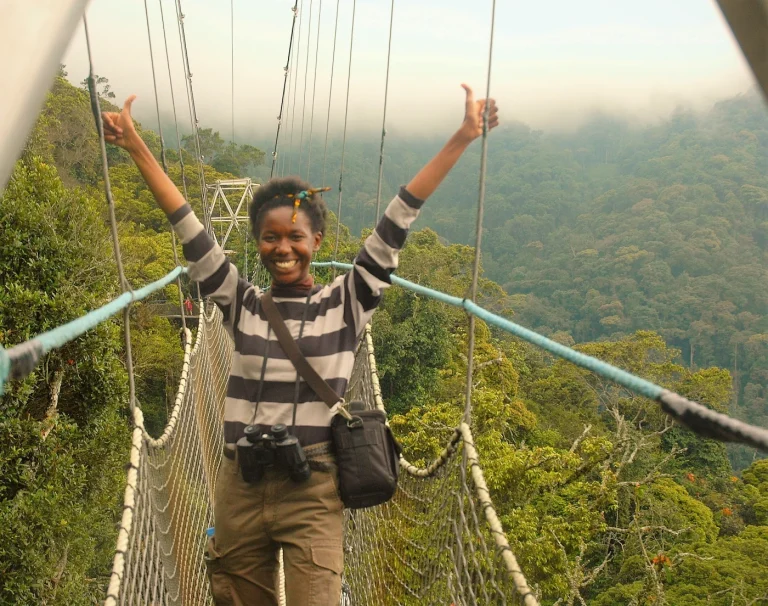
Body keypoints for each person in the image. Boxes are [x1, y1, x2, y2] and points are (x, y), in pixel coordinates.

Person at [102, 83, 499, 606]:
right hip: (238, 481)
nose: (282, 248)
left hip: (313, 485)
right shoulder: (238, 302)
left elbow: (398, 220)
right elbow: (190, 229)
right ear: (258, 243)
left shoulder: (348, 300)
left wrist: (463, 137)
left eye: (296, 237)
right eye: (270, 237)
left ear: (317, 242)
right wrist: (135, 146)